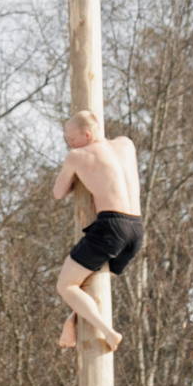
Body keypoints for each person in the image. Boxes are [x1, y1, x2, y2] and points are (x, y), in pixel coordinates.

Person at [51, 108, 142, 353]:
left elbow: (58, 193)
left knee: (66, 286)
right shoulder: (126, 145)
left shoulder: (77, 156)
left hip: (111, 226)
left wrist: (74, 170)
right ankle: (74, 318)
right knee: (89, 280)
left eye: (71, 138)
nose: (69, 143)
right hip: (136, 229)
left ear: (87, 134)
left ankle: (108, 332)